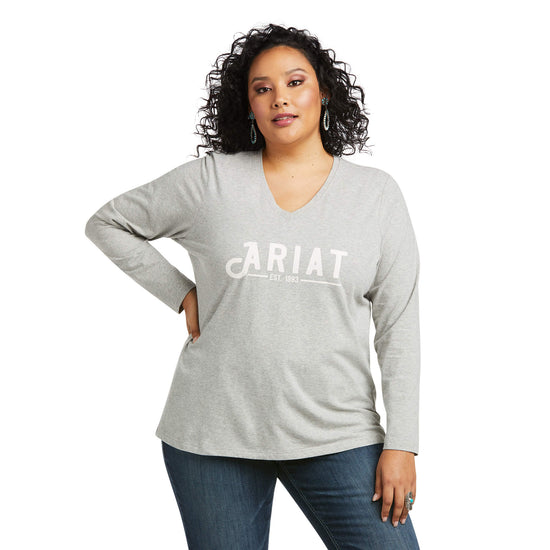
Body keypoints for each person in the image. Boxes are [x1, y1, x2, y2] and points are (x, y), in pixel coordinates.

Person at [84, 23, 422, 550]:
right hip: (212, 435)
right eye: (262, 89)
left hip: (338, 434)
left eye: (295, 82)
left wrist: (402, 443)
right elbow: (108, 223)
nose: (279, 98)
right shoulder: (210, 182)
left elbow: (398, 325)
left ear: (324, 92)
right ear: (248, 105)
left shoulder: (375, 196)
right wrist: (182, 293)